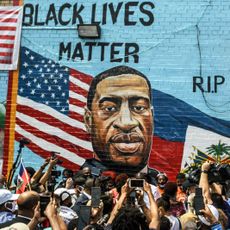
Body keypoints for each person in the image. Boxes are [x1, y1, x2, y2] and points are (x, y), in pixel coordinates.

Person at [82, 65, 154, 175]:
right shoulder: (78, 184)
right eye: (109, 108)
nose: (126, 123)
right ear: (88, 121)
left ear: (152, 117)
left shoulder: (160, 186)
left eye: (139, 107)